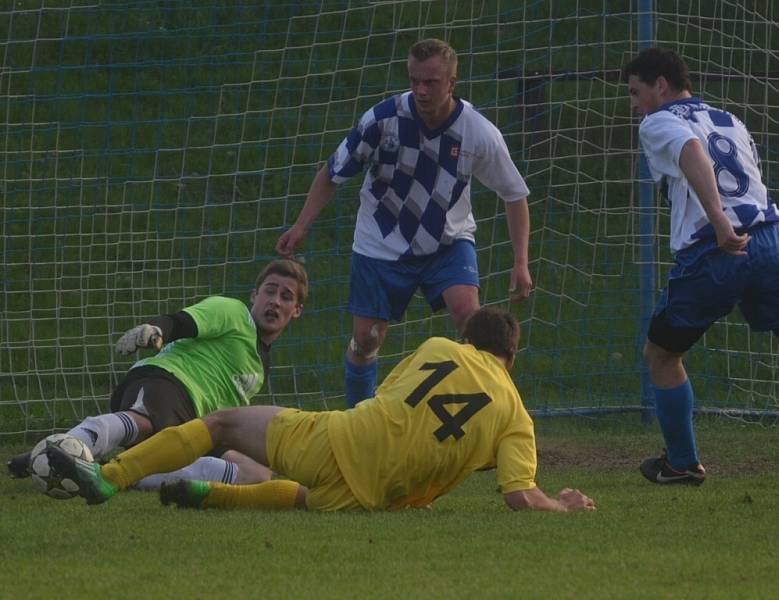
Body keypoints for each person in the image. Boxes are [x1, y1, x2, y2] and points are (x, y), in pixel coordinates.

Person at [46, 307, 595, 513]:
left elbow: (385, 400)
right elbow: (521, 495)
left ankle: (109, 476)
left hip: (340, 441)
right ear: (511, 358)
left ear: (466, 338)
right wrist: (563, 504)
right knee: (309, 498)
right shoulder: (517, 415)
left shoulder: (438, 347)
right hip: (380, 498)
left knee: (220, 424)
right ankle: (206, 493)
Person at [275, 38, 533, 408]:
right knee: (367, 340)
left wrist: (521, 262)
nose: (420, 90)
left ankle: (480, 416)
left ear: (451, 83)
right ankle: (359, 419)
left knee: (471, 320)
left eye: (430, 82)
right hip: (380, 243)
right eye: (414, 81)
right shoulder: (382, 120)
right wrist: (301, 226)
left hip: (447, 241)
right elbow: (332, 173)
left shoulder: (478, 132)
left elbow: (514, 195)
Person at [623, 48, 779, 485]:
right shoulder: (729, 119)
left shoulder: (659, 121)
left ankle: (681, 463)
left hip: (715, 250)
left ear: (660, 85)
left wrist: (719, 222)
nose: (634, 104)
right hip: (768, 238)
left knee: (661, 354)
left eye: (636, 91)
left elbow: (691, 152)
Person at [8, 259, 308, 490]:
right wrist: (155, 330)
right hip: (167, 381)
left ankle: (121, 471)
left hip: (194, 424)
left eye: (286, 296)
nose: (275, 301)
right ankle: (55, 452)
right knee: (144, 422)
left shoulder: (260, 365)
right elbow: (179, 323)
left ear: (296, 310)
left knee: (256, 475)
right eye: (270, 291)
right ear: (254, 295)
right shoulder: (232, 312)